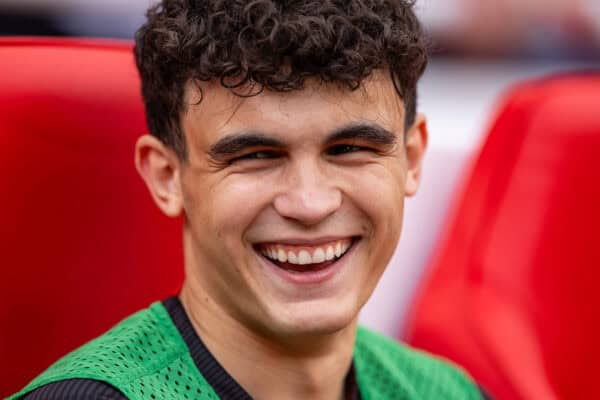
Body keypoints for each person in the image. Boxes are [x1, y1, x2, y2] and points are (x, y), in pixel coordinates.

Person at [10, 0, 490, 399]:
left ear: (410, 159)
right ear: (167, 176)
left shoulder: (449, 391)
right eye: (256, 156)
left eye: (349, 150)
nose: (309, 202)